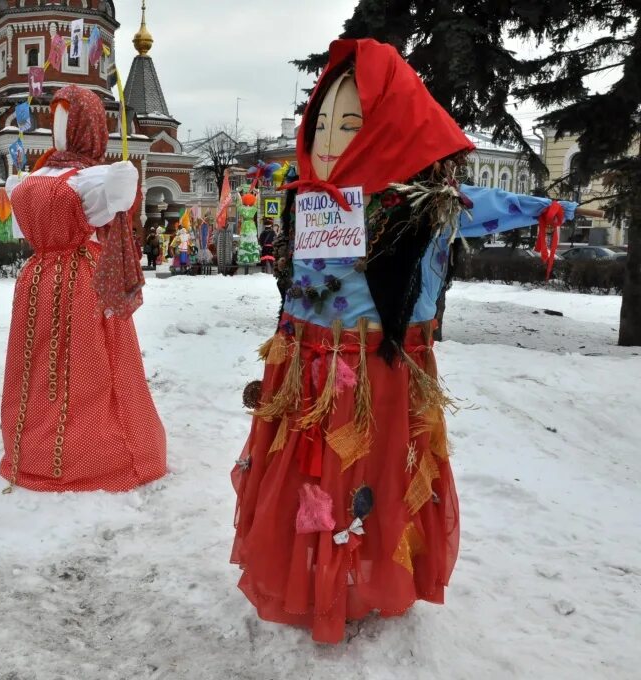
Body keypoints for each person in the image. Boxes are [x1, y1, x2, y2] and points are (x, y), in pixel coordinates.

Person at [230, 37, 579, 645]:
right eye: (322, 126)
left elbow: (490, 206)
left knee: (369, 477)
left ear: (390, 127)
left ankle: (360, 582)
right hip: (306, 365)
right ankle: (311, 579)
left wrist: (551, 210)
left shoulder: (422, 207)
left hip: (378, 372)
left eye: (351, 125)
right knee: (307, 481)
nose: (331, 142)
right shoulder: (305, 199)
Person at [0, 84, 166, 493]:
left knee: (86, 364)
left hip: (79, 282)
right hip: (41, 281)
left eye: (65, 120)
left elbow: (116, 201)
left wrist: (120, 181)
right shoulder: (41, 172)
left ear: (85, 126)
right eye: (54, 119)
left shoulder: (94, 177)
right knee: (37, 366)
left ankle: (89, 451)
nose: (56, 129)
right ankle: (37, 445)